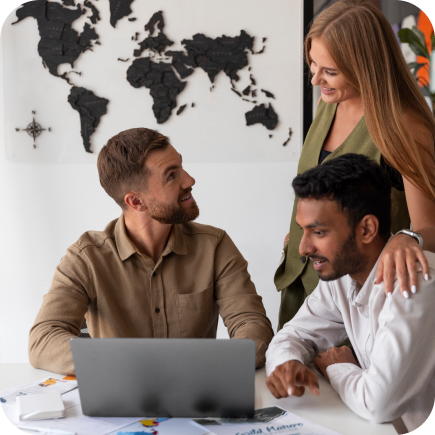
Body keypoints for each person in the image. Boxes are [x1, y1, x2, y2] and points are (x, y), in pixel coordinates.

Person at [29, 128, 274, 375]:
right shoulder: (86, 258)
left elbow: (252, 325)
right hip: (119, 403)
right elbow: (43, 341)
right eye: (171, 176)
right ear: (136, 202)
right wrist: (134, 365)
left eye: (181, 167)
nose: (189, 180)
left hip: (198, 397)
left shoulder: (215, 245)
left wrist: (206, 366)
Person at [275, 0, 435, 329]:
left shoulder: (405, 127)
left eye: (329, 71)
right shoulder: (328, 104)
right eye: (313, 66)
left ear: (367, 66)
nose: (315, 80)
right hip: (303, 285)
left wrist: (408, 238)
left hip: (362, 304)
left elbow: (429, 228)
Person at [266, 154, 435, 430]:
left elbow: (379, 404)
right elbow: (295, 333)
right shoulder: (342, 276)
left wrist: (337, 366)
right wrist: (287, 363)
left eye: (318, 232)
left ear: (367, 229)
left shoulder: (414, 280)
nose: (303, 248)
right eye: (302, 231)